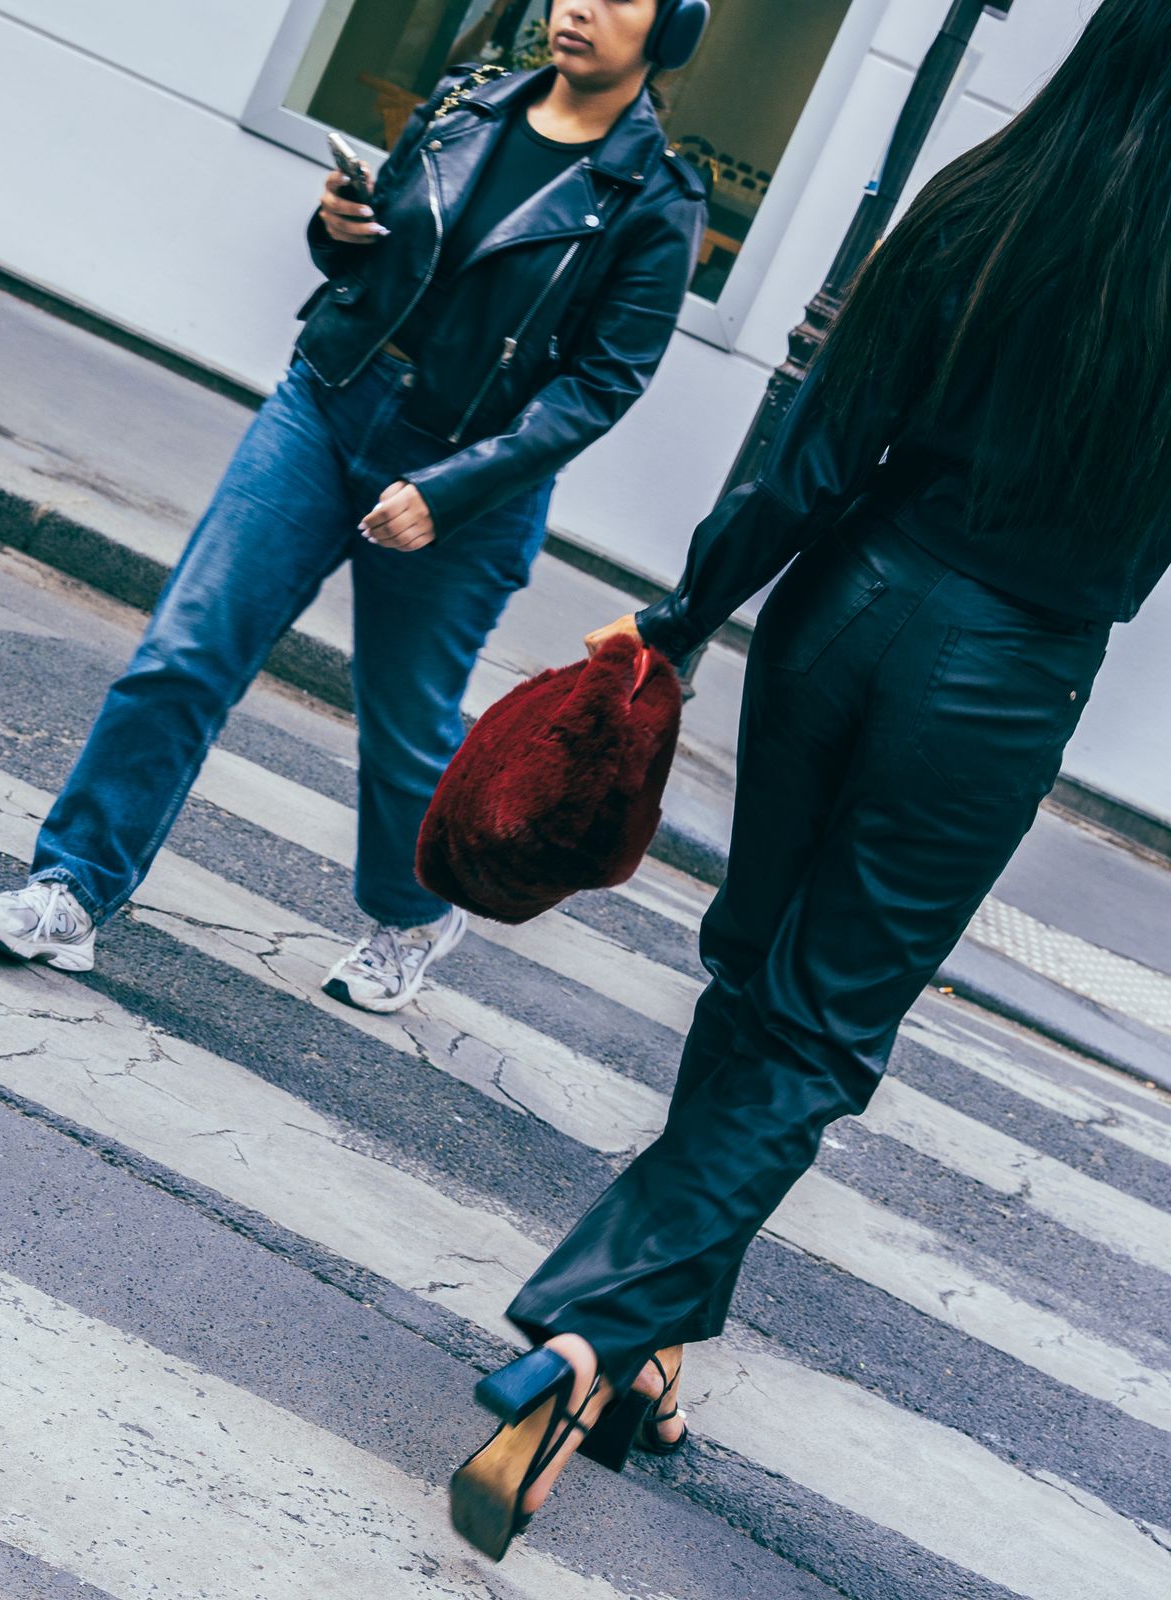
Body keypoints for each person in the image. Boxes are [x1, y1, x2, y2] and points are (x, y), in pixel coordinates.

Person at [449, 0, 1171, 1561]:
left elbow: (816, 446)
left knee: (749, 968)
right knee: (821, 1025)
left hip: (842, 610)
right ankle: (591, 1327)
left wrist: (685, 612)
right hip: (1004, 672)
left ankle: (645, 1359)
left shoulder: (985, 194)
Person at [0, 0, 707, 1014]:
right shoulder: (467, 106)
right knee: (185, 653)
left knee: (404, 731)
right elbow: (365, 263)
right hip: (326, 404)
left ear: (674, 28)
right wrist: (334, 226)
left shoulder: (653, 202)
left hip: (469, 482)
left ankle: (412, 911)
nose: (579, 6)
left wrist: (450, 490)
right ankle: (70, 889)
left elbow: (597, 387)